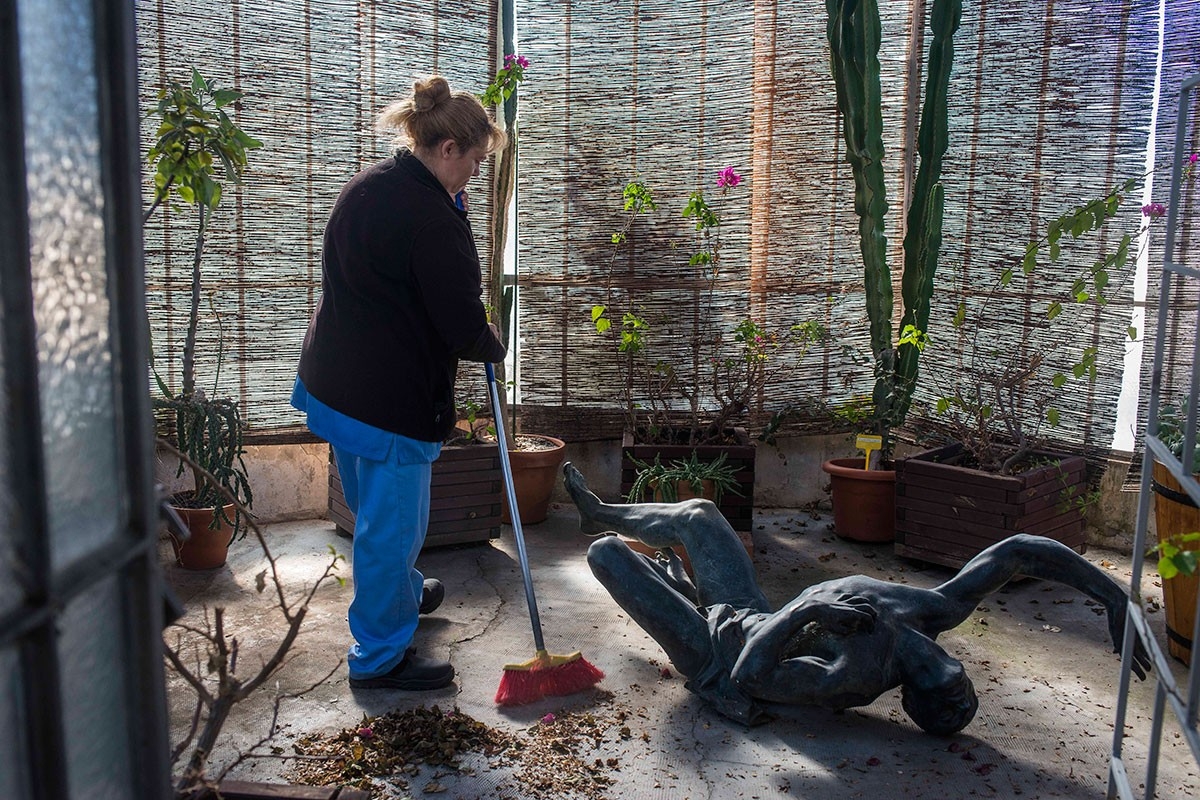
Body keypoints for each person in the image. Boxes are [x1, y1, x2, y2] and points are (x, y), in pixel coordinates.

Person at [562, 462, 1151, 733]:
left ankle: (615, 543)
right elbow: (1020, 550)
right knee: (700, 514)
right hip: (753, 613)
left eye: (944, 699)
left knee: (608, 557)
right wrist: (1113, 596)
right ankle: (599, 512)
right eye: (963, 688)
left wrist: (811, 610)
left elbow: (746, 675)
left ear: (914, 699)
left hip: (712, 655)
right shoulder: (935, 611)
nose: (952, 683)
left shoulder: (853, 675)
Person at [292, 76, 507, 691]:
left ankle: (404, 593)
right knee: (394, 527)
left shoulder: (371, 184)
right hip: (388, 402)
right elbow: (462, 326)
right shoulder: (432, 219)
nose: (474, 173)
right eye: (474, 160)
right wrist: (491, 345)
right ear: (446, 149)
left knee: (371, 509)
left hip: (338, 383)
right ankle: (380, 658)